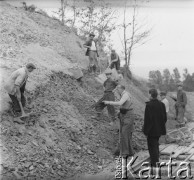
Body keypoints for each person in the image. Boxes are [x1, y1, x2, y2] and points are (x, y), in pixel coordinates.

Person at [104, 85, 135, 158]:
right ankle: (130, 152)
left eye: (117, 89)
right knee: (125, 133)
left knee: (124, 133)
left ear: (121, 89)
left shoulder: (125, 95)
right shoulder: (123, 94)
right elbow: (122, 105)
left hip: (128, 116)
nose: (117, 90)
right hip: (124, 115)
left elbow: (120, 103)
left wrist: (109, 102)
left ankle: (125, 153)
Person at [143, 89, 167, 169]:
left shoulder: (149, 105)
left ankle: (155, 164)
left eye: (148, 94)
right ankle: (155, 161)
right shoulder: (162, 104)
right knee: (156, 144)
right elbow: (165, 118)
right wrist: (160, 125)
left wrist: (146, 131)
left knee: (152, 146)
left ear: (150, 95)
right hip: (159, 129)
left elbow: (147, 120)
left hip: (151, 130)